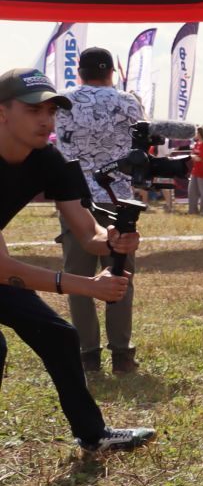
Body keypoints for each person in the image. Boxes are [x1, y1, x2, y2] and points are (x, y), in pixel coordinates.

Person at [0, 66, 155, 486]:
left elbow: (87, 233)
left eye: (52, 109)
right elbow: (2, 269)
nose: (46, 119)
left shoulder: (49, 159)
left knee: (58, 335)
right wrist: (85, 285)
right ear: (2, 114)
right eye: (34, 109)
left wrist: (116, 239)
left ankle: (93, 435)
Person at [56, 47, 146, 373]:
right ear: (112, 73)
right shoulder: (129, 102)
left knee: (78, 280)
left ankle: (87, 355)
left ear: (79, 71)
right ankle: (122, 355)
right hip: (119, 199)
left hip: (75, 200)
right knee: (120, 276)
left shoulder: (63, 101)